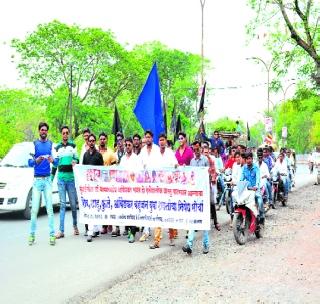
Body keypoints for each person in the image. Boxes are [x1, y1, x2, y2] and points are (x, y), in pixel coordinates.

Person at [28, 122, 57, 246]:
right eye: (42, 130)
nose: (44, 132)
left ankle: (52, 235)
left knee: (50, 209)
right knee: (34, 209)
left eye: (45, 130)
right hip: (37, 180)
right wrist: (36, 160)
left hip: (47, 180)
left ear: (47, 132)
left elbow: (56, 163)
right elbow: (29, 162)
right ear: (39, 131)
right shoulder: (34, 144)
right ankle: (32, 235)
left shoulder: (51, 144)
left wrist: (52, 160)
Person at [149, 133, 178, 249]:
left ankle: (171, 237)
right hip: (157, 188)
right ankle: (156, 241)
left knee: (169, 213)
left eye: (163, 140)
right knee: (158, 214)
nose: (161, 142)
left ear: (166, 141)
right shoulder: (154, 154)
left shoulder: (170, 153)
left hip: (168, 188)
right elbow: (150, 168)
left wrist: (176, 166)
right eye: (160, 140)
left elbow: (176, 164)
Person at [182, 141, 211, 255]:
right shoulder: (192, 161)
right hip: (195, 194)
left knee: (203, 220)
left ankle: (206, 245)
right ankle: (189, 244)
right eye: (194, 150)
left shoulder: (205, 160)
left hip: (203, 194)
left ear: (200, 148)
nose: (196, 151)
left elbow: (207, 176)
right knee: (193, 219)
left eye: (197, 149)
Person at [51, 125, 79, 239]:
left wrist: (75, 161)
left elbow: (77, 159)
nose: (65, 134)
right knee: (62, 205)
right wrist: (51, 179)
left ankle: (75, 226)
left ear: (69, 134)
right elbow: (55, 164)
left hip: (71, 179)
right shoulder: (57, 147)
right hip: (61, 179)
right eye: (64, 133)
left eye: (67, 132)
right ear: (61, 134)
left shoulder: (73, 146)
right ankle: (61, 231)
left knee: (73, 205)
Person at [139, 130, 162, 242]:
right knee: (146, 207)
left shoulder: (157, 149)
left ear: (152, 138)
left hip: (156, 182)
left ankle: (158, 232)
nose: (147, 139)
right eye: (146, 137)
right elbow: (140, 165)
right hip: (145, 182)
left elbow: (160, 165)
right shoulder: (142, 151)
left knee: (156, 207)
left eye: (149, 137)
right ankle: (146, 231)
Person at [119, 137, 143, 243]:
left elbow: (140, 171)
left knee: (133, 211)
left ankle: (133, 233)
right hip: (124, 189)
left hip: (134, 189)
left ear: (132, 146)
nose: (127, 147)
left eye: (129, 145)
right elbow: (120, 172)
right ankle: (129, 230)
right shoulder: (123, 159)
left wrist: (134, 173)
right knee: (126, 210)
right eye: (126, 145)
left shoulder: (136, 158)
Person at [82, 133, 104, 242]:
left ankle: (96, 229)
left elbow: (103, 171)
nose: (91, 142)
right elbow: (83, 170)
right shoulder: (85, 155)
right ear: (88, 142)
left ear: (95, 142)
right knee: (90, 207)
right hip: (88, 187)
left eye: (92, 141)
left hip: (97, 186)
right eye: (89, 141)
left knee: (96, 207)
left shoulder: (99, 155)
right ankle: (90, 232)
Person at [98, 132, 117, 235]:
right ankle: (104, 226)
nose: (102, 140)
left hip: (109, 183)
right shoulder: (95, 152)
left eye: (104, 139)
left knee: (110, 204)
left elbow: (114, 167)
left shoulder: (111, 153)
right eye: (100, 139)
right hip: (98, 183)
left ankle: (111, 224)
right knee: (102, 205)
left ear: (107, 140)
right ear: (98, 140)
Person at [240, 152, 265, 225]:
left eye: (249, 158)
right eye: (247, 159)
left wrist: (256, 186)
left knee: (260, 201)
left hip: (255, 189)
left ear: (252, 159)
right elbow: (241, 179)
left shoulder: (256, 167)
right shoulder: (244, 168)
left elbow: (258, 178)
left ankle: (261, 216)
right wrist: (239, 184)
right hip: (247, 189)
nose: (248, 160)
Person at [202, 145, 221, 231]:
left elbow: (214, 172)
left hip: (211, 184)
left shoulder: (211, 160)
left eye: (207, 152)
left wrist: (211, 180)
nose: (206, 154)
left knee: (212, 203)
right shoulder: (200, 160)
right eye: (205, 152)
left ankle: (216, 222)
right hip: (201, 185)